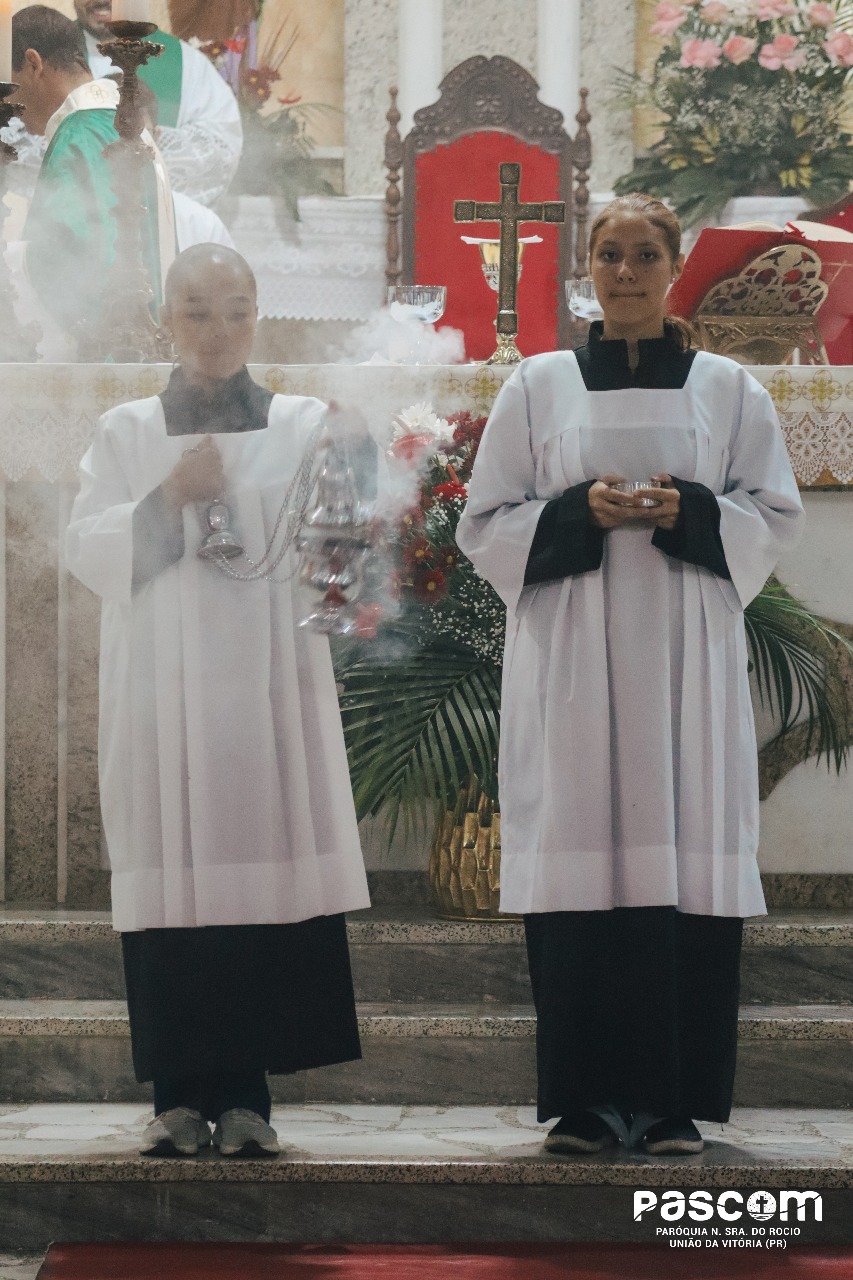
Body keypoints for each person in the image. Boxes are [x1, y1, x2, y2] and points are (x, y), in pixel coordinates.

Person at [456, 193, 805, 1157]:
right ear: (588, 267)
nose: (625, 271)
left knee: (677, 849)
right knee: (580, 846)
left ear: (673, 266)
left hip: (682, 661)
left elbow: (773, 513)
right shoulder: (539, 385)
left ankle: (668, 1102)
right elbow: (484, 522)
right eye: (608, 254)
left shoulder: (728, 389)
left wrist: (690, 508)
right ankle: (584, 1102)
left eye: (644, 254)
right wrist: (580, 512)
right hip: (572, 655)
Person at [66, 244, 371, 1159]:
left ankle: (246, 1099)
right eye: (196, 310)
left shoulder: (301, 423)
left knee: (253, 866)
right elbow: (87, 548)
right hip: (161, 690)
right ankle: (175, 1098)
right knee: (171, 866)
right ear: (166, 318)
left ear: (257, 314)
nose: (216, 329)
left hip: (269, 691)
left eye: (235, 310)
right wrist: (169, 496)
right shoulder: (126, 430)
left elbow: (338, 559)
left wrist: (352, 469)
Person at [10, 6, 172, 348]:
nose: (13, 108)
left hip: (106, 347)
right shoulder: (120, 119)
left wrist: (11, 259)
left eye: (11, 86)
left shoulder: (80, 132)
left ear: (33, 64)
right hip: (141, 341)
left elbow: (67, 255)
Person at [74, 0, 243, 205]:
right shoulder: (48, 56)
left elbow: (221, 151)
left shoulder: (187, 63)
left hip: (161, 218)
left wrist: (139, 154)